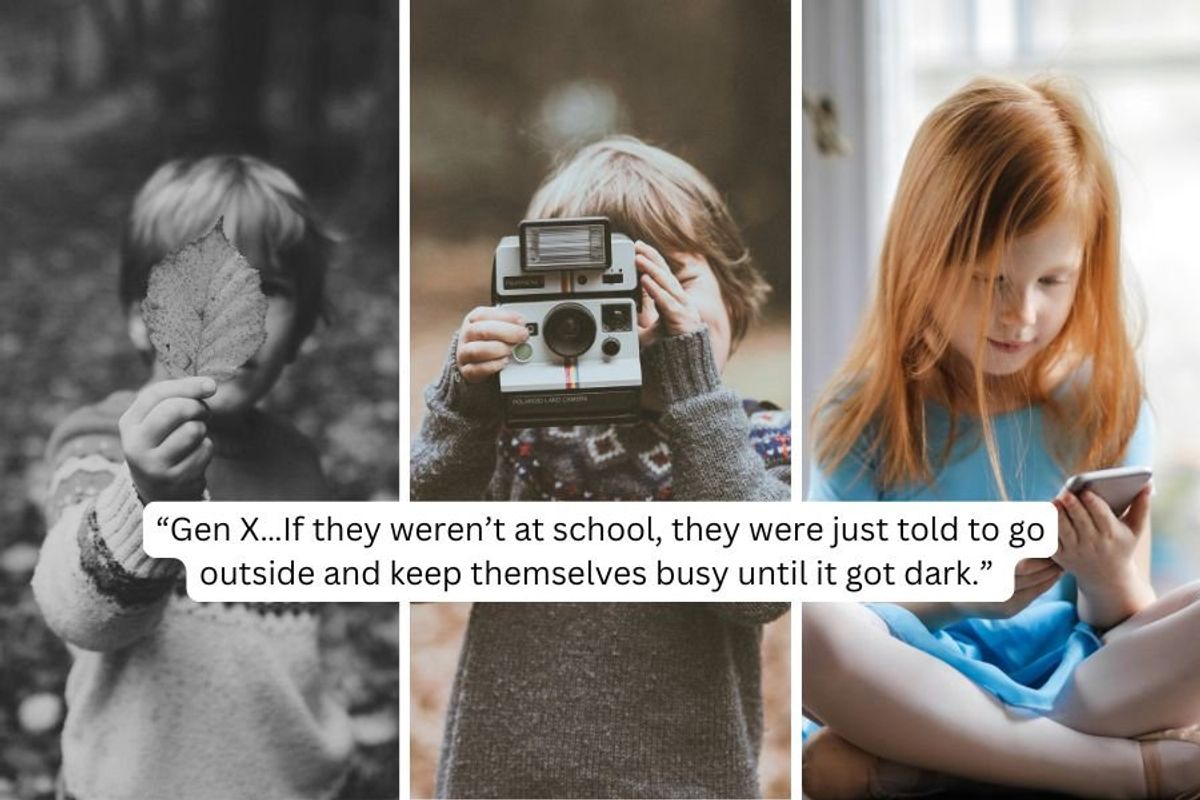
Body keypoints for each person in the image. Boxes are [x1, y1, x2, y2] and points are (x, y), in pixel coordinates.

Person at [802, 75, 1200, 800]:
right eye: (989, 280)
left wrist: (1109, 578)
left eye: (1052, 280)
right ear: (922, 263)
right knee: (808, 619)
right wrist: (959, 585)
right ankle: (1113, 774)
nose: (1020, 315)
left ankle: (940, 772)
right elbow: (845, 619)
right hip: (926, 690)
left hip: (1083, 688)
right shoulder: (864, 419)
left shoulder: (1109, 407)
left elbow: (1125, 634)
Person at [411, 136, 790, 797]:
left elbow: (756, 590)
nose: (640, 317)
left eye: (667, 277)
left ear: (732, 292)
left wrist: (695, 396)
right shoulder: (519, 432)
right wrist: (466, 406)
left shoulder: (754, 439)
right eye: (599, 289)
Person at [32, 155, 353, 800]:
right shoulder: (99, 446)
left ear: (303, 333)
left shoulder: (299, 462)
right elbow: (83, 616)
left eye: (271, 288)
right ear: (137, 315)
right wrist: (148, 499)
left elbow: (308, 644)